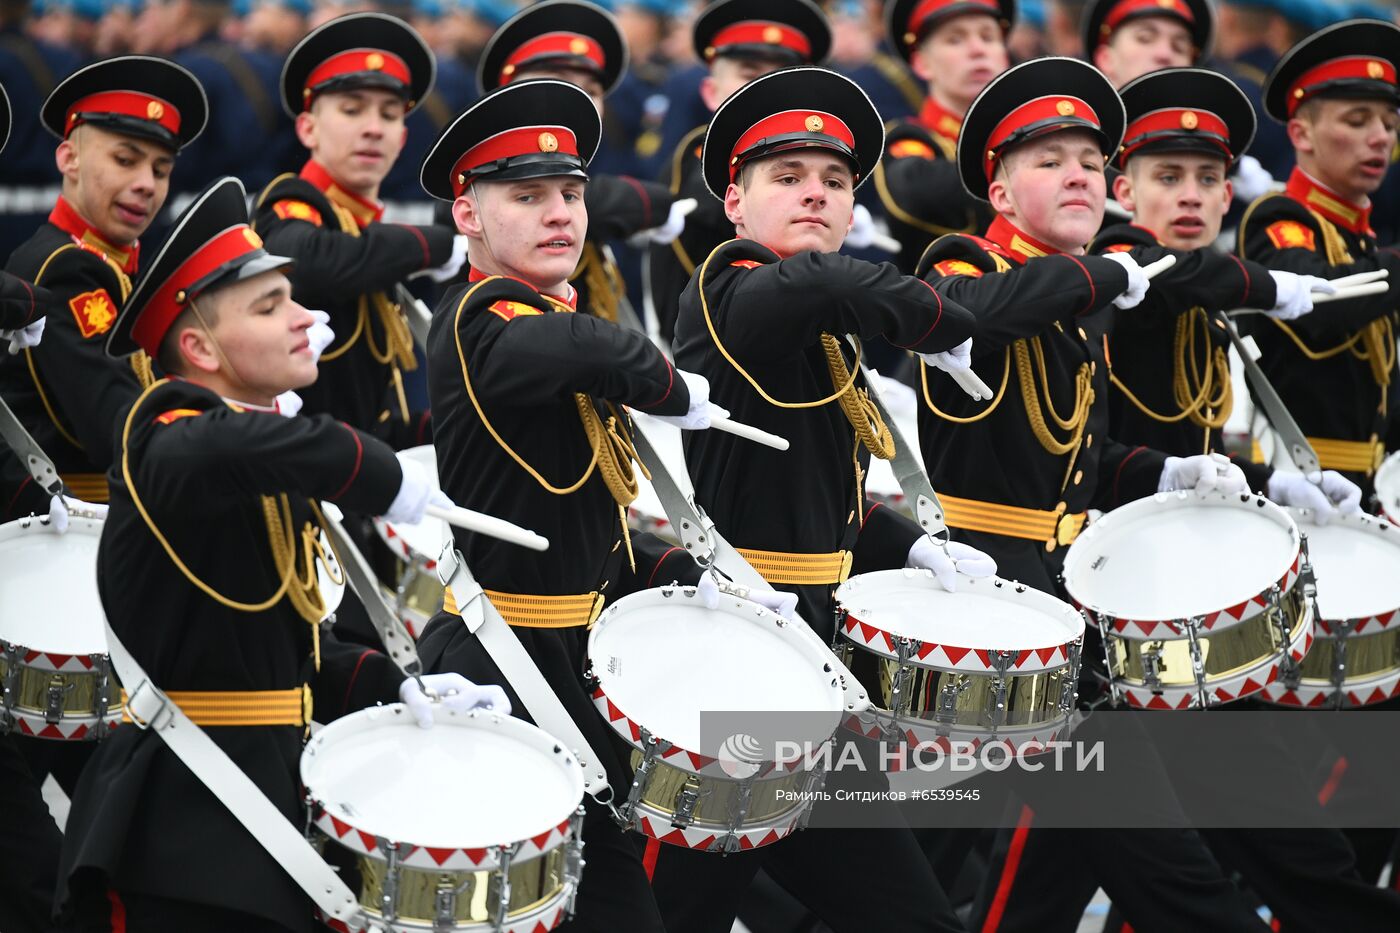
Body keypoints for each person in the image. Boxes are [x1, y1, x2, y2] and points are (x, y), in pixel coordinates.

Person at [54, 175, 501, 933]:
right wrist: (368, 466)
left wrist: (394, 684)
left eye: (292, 298)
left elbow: (275, 650)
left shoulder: (248, 457)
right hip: (186, 828)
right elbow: (206, 445)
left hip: (267, 800)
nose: (306, 318)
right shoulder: (166, 437)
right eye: (271, 308)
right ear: (197, 347)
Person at [915, 55, 1274, 933]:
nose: (1077, 172)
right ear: (999, 194)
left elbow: (1081, 451)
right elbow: (973, 315)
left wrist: (1162, 471)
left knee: (1036, 845)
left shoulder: (1076, 293)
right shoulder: (965, 262)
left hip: (1063, 591)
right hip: (984, 594)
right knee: (1133, 841)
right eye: (1048, 160)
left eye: (1088, 160)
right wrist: (1106, 272)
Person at [416, 77, 758, 932]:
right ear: (468, 217)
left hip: (580, 664)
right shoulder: (480, 319)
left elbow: (588, 518)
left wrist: (690, 571)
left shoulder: (553, 324)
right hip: (502, 663)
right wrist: (665, 380)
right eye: (526, 197)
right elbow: (574, 340)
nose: (560, 214)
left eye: (570, 194)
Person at [654, 64, 985, 933]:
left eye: (835, 182)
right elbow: (823, 282)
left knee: (908, 914)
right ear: (734, 202)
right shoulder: (728, 292)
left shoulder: (827, 321)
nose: (816, 195)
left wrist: (911, 543)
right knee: (672, 910)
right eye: (788, 178)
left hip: (807, 656)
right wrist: (934, 316)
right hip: (733, 660)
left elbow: (821, 504)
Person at [1096, 65, 1360, 516]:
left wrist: (1275, 482)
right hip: (1116, 528)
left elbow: (1195, 448)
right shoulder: (1117, 262)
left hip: (1186, 527)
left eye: (1207, 179)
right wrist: (1267, 285)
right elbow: (1168, 273)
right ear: (1125, 192)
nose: (1191, 196)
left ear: (1226, 197)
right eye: (1168, 177)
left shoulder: (1207, 296)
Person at [3, 56, 205, 508]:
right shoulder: (66, 268)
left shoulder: (110, 266)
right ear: (68, 158)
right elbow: (116, 427)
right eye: (124, 160)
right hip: (76, 523)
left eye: (160, 170)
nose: (146, 184)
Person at [253, 11, 461, 447]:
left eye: (388, 116)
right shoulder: (294, 202)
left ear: (402, 138)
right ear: (308, 129)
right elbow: (308, 262)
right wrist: (435, 245)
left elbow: (368, 410)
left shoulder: (366, 230)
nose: (372, 129)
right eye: (352, 110)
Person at [1237, 18, 1400, 496]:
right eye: (1357, 121)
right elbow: (1323, 307)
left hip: (1370, 485)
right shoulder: (1280, 217)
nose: (1380, 138)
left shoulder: (1365, 242)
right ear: (1302, 134)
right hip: (1298, 480)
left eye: (1389, 124)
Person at [475, 0, 690, 327]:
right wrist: (644, 203)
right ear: (509, 88)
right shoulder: (478, 175)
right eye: (558, 82)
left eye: (592, 90)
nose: (579, 100)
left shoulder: (597, 164)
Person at [646, 0, 832, 346]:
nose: (764, 88)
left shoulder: (820, 160)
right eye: (749, 74)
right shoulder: (698, 161)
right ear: (710, 91)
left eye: (780, 75)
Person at [874, 0, 1013, 271]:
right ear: (922, 62)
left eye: (988, 37)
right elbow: (914, 188)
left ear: (1005, 55)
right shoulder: (910, 138)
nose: (977, 49)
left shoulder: (1029, 141)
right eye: (955, 39)